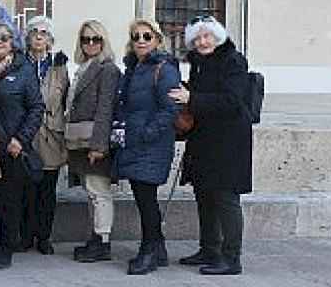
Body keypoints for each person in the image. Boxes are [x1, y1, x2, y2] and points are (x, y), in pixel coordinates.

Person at [173, 16, 252, 276]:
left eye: (206, 36)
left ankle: (231, 258)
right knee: (204, 196)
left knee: (226, 199)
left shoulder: (233, 61)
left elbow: (232, 101)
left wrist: (191, 97)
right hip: (205, 141)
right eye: (196, 38)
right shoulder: (199, 63)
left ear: (217, 37)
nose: (202, 42)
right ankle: (209, 249)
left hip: (229, 143)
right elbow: (201, 95)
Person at [114, 18, 181, 276]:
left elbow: (170, 108)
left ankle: (148, 250)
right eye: (136, 36)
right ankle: (159, 248)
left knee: (147, 200)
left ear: (157, 39)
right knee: (144, 198)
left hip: (151, 144)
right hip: (134, 142)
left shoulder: (164, 69)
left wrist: (146, 132)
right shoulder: (134, 68)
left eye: (146, 36)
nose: (141, 41)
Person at [0, 22, 43, 270]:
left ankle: (5, 248)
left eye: (4, 38)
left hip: (12, 145)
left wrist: (21, 139)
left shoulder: (23, 70)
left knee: (9, 201)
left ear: (12, 42)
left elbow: (37, 108)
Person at [67, 20, 121, 263]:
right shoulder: (83, 67)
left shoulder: (107, 69)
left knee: (99, 192)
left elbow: (105, 109)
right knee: (91, 191)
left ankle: (103, 241)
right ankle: (95, 237)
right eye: (86, 39)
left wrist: (99, 146)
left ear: (103, 41)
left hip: (94, 140)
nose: (90, 44)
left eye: (95, 39)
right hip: (80, 140)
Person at [22, 16, 69, 256]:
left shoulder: (60, 66)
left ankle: (44, 236)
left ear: (50, 40)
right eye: (34, 32)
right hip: (26, 134)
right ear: (28, 38)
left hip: (51, 134)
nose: (39, 36)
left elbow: (66, 100)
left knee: (47, 190)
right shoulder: (20, 63)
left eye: (44, 33)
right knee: (27, 187)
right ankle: (25, 235)